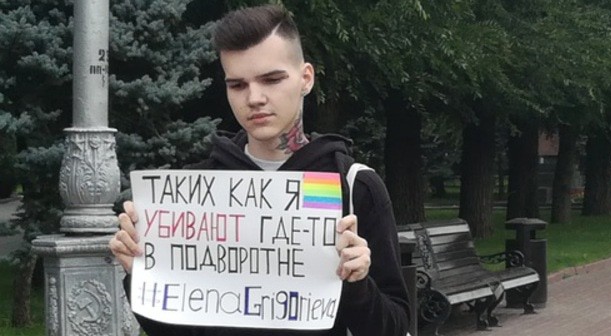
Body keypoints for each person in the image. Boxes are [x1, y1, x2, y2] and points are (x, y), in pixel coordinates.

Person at [109, 4, 410, 336]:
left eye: (272, 79)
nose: (254, 98)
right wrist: (140, 273)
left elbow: (395, 327)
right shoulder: (198, 190)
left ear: (305, 78)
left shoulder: (355, 187)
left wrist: (358, 283)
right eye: (237, 85)